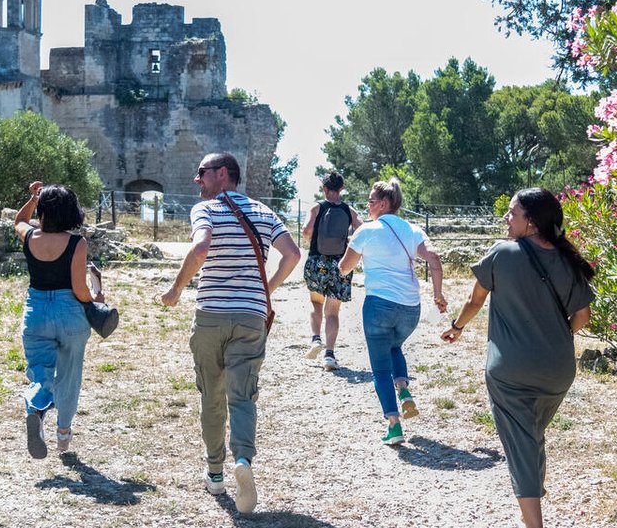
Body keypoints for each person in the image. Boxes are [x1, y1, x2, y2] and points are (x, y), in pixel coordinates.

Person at [441, 188, 594, 528]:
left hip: (510, 371)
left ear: (532, 221)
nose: (506, 218)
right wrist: (556, 336)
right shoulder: (568, 259)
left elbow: (475, 301)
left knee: (522, 443)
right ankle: (534, 488)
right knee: (533, 433)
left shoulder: (503, 253)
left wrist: (457, 327)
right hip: (558, 371)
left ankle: (533, 523)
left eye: (512, 213)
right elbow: (583, 316)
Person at [160, 152, 301, 514]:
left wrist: (176, 289)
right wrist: (265, 289)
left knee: (211, 394)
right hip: (252, 317)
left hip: (211, 315)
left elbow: (201, 247)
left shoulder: (205, 210)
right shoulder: (264, 213)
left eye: (202, 173)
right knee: (243, 395)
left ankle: (215, 473)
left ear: (223, 174)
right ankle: (244, 461)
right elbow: (293, 255)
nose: (197, 180)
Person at [338, 178, 446, 445]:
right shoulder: (413, 230)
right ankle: (405, 391)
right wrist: (438, 294)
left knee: (379, 368)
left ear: (384, 204)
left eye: (371, 201)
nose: (368, 205)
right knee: (395, 346)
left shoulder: (367, 231)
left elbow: (344, 268)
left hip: (379, 305)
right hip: (411, 308)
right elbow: (433, 257)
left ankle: (394, 425)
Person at [14, 181, 104, 459]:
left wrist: (33, 198)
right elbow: (79, 290)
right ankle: (63, 434)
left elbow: (18, 220)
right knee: (69, 376)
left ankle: (36, 406)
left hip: (37, 313)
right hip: (69, 316)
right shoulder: (77, 243)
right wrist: (97, 292)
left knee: (41, 372)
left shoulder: (30, 237)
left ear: (43, 211)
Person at [300, 171, 362, 370]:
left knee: (316, 303)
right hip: (340, 264)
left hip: (317, 261)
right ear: (341, 189)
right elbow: (362, 231)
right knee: (333, 312)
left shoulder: (317, 207)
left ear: (324, 188)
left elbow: (307, 231)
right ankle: (329, 355)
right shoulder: (348, 210)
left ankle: (316, 339)